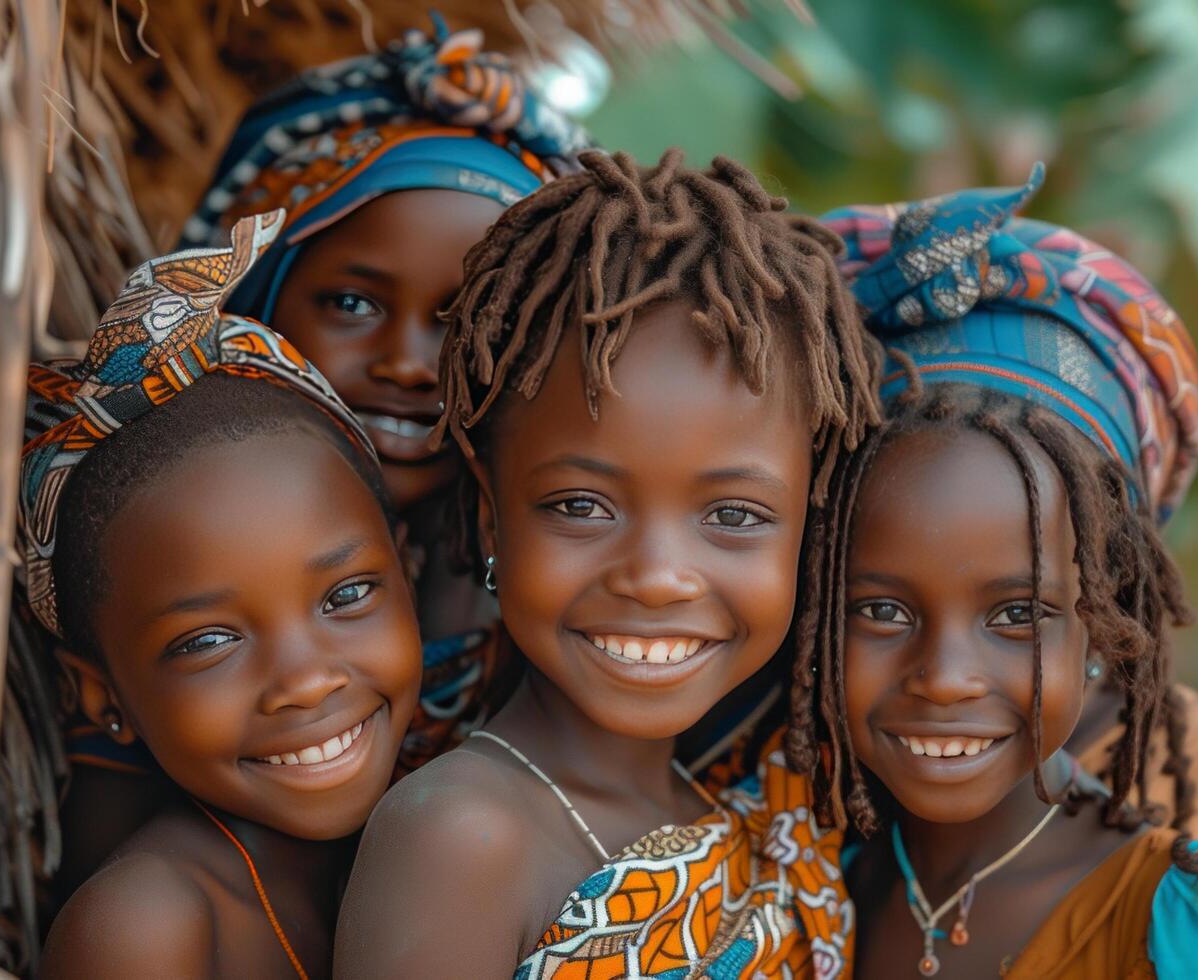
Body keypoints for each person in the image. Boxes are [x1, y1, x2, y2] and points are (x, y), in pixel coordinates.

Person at [52, 16, 590, 902]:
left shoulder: (557, 573)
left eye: (466, 320)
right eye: (350, 301)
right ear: (254, 302)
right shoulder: (154, 556)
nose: (410, 363)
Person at [334, 148, 882, 978]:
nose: (658, 576)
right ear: (490, 518)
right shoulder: (462, 835)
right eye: (580, 507)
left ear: (810, 531)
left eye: (734, 515)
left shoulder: (756, 816)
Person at [822, 168, 1198, 979]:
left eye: (1016, 614)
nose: (947, 679)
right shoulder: (826, 861)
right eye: (882, 609)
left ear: (1103, 611)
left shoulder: (1179, 869)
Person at [29, 215, 422, 979]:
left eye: (345, 595)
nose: (306, 680)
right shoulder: (146, 927)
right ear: (100, 691)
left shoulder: (424, 829)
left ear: (405, 575)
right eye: (208, 641)